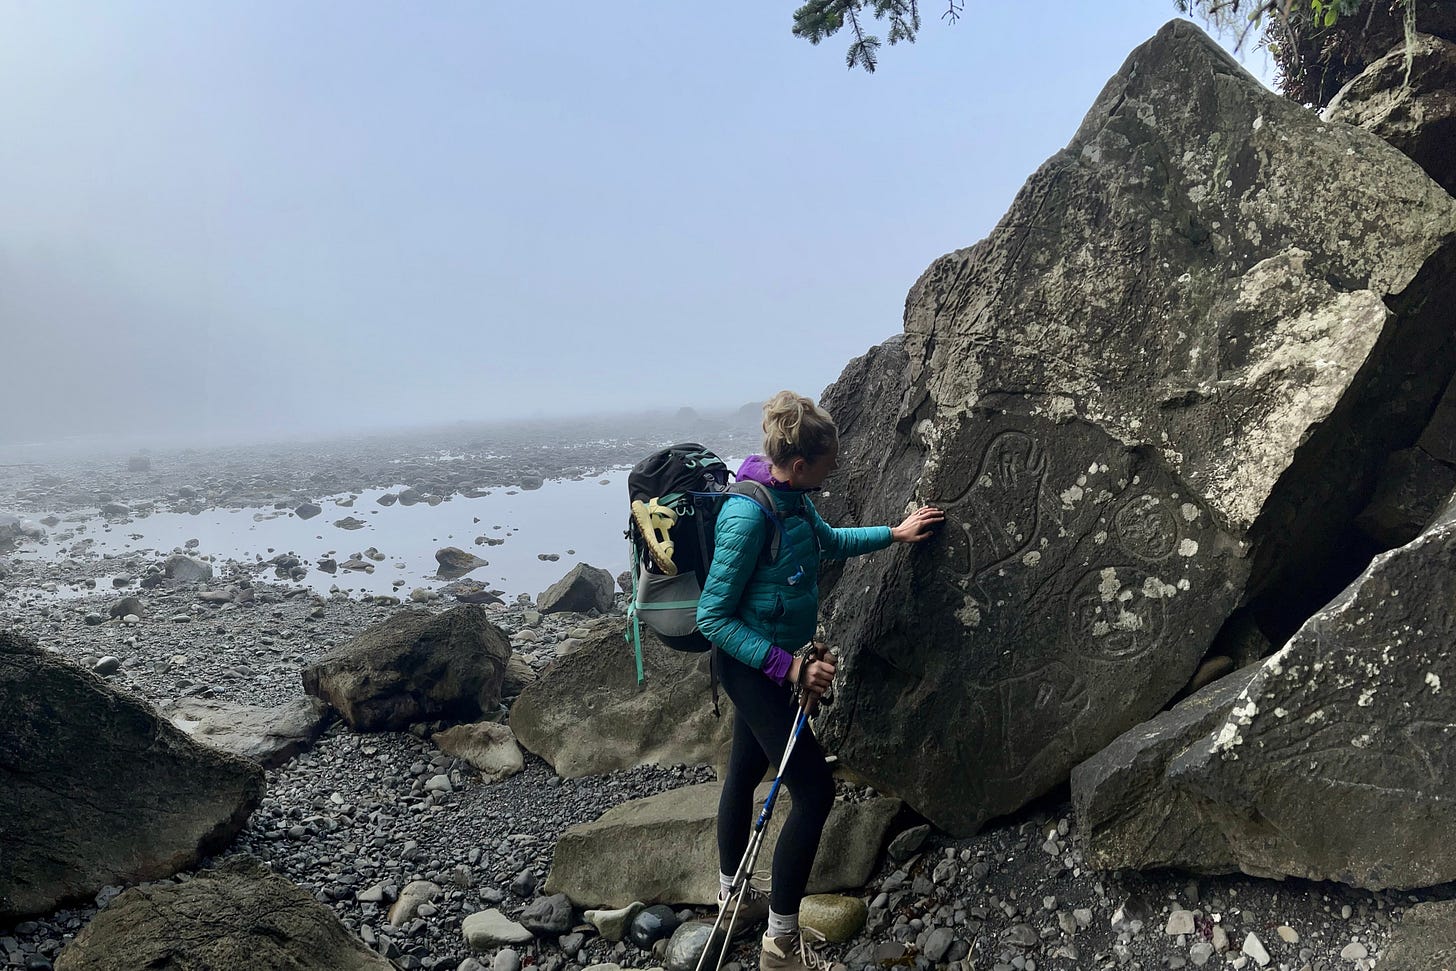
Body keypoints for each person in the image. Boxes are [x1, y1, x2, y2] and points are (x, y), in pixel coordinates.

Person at [696, 390, 944, 971]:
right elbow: (713, 617)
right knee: (814, 790)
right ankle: (781, 943)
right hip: (750, 667)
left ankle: (735, 897)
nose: (837, 467)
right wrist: (792, 667)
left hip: (771, 662)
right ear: (801, 463)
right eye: (829, 460)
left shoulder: (794, 498)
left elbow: (829, 542)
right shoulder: (749, 513)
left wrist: (895, 532)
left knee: (745, 768)